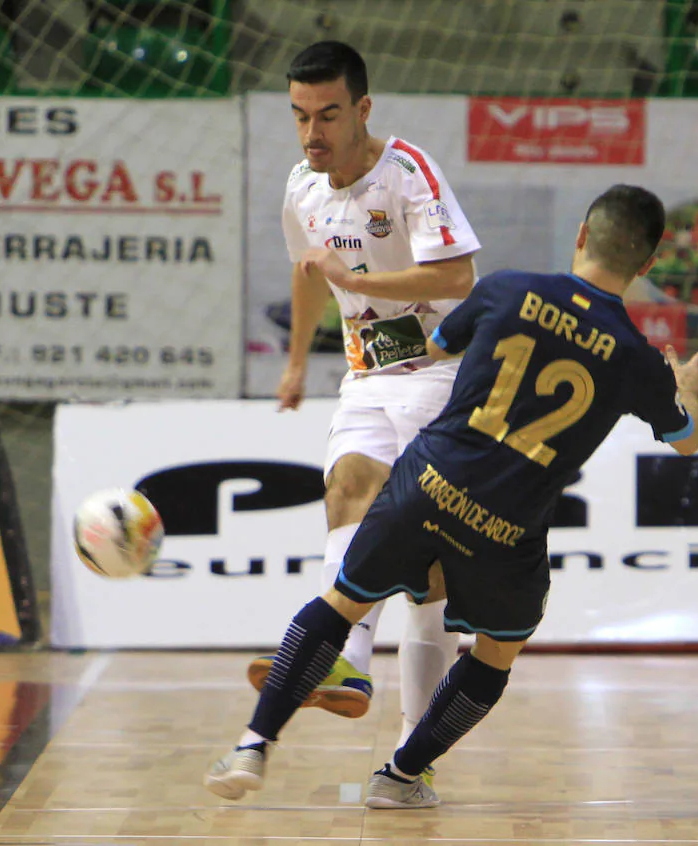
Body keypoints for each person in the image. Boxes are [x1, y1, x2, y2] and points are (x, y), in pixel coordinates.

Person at [205, 184, 698, 808]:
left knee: (342, 600)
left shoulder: (506, 288)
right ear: (648, 264)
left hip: (429, 482)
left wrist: (358, 316)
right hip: (507, 529)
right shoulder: (636, 359)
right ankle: (400, 776)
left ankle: (253, 745)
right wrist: (689, 388)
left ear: (581, 234)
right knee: (497, 654)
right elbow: (687, 439)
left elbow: (435, 349)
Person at [244, 39, 481, 769]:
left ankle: (413, 761)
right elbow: (310, 272)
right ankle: (344, 658)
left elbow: (460, 275)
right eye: (300, 116)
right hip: (367, 376)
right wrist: (293, 367)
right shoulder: (302, 186)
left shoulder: (406, 171)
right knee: (348, 483)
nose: (313, 133)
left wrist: (362, 284)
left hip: (443, 376)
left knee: (430, 576)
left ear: (363, 110)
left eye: (329, 115)